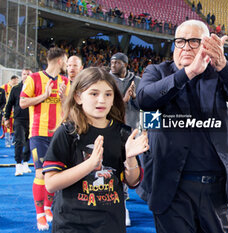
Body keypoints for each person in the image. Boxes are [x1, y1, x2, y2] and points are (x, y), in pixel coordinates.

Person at [136, 20, 228, 233]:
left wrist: (224, 65)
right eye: (180, 42)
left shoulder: (218, 72)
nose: (186, 47)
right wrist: (188, 72)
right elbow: (145, 99)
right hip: (171, 188)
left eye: (194, 42)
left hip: (214, 189)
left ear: (207, 45)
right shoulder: (157, 72)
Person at [42, 67, 149, 232]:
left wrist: (130, 158)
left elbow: (133, 181)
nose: (102, 100)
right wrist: (90, 165)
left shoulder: (123, 132)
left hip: (111, 222)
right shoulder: (67, 132)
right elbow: (50, 184)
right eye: (94, 94)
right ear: (78, 97)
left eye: (108, 94)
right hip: (72, 224)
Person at [20, 47, 70, 231]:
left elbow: (68, 108)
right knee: (40, 173)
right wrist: (45, 96)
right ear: (59, 61)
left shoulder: (65, 81)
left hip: (58, 134)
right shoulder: (33, 78)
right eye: (65, 60)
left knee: (54, 174)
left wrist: (64, 96)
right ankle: (39, 214)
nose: (66, 64)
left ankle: (48, 208)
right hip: (38, 134)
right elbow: (22, 102)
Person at [110, 52, 141, 226]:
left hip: (130, 128)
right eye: (111, 62)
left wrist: (135, 98)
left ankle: (123, 194)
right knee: (114, 163)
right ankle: (121, 205)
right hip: (111, 127)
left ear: (125, 64)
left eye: (116, 62)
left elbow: (145, 104)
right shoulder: (106, 79)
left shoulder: (137, 80)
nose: (112, 65)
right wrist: (124, 99)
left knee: (130, 165)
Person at [4, 68, 32, 176]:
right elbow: (9, 104)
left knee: (30, 143)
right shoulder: (15, 89)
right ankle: (18, 164)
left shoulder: (35, 89)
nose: (26, 76)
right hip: (19, 119)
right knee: (19, 141)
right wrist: (6, 118)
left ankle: (25, 162)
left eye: (28, 74)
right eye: (24, 74)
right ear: (22, 75)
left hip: (32, 119)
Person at [0, 75, 19, 141]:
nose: (16, 82)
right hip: (6, 105)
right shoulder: (4, 87)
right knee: (3, 119)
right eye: (14, 81)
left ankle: (12, 134)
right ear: (11, 80)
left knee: (13, 120)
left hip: (14, 105)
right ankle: (4, 133)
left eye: (17, 81)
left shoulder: (17, 87)